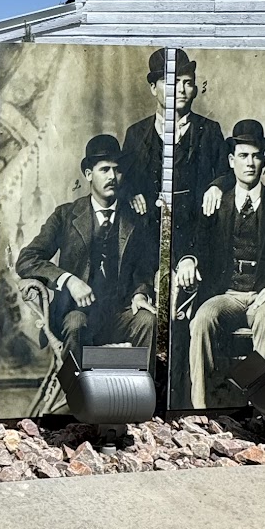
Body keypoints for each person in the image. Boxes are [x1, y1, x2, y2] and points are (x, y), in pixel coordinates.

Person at [176, 118, 265, 410]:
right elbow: (197, 245)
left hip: (264, 295)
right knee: (203, 318)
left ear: (264, 160)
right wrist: (189, 260)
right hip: (227, 294)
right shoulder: (216, 203)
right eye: (243, 155)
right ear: (231, 161)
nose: (250, 163)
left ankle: (259, 408)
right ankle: (201, 409)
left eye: (256, 155)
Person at [16, 134, 158, 361]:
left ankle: (137, 394)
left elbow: (144, 267)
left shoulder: (134, 219)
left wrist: (141, 294)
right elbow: (27, 259)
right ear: (89, 174)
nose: (112, 176)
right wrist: (68, 280)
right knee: (75, 323)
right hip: (77, 313)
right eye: (104, 170)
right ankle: (78, 394)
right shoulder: (66, 215)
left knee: (147, 320)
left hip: (119, 314)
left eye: (117, 169)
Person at [119, 49, 228, 223]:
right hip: (148, 229)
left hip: (196, 228)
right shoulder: (135, 133)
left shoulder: (210, 130)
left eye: (188, 83)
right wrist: (131, 192)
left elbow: (225, 173)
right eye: (172, 81)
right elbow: (123, 179)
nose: (181, 90)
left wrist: (217, 186)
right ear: (153, 88)